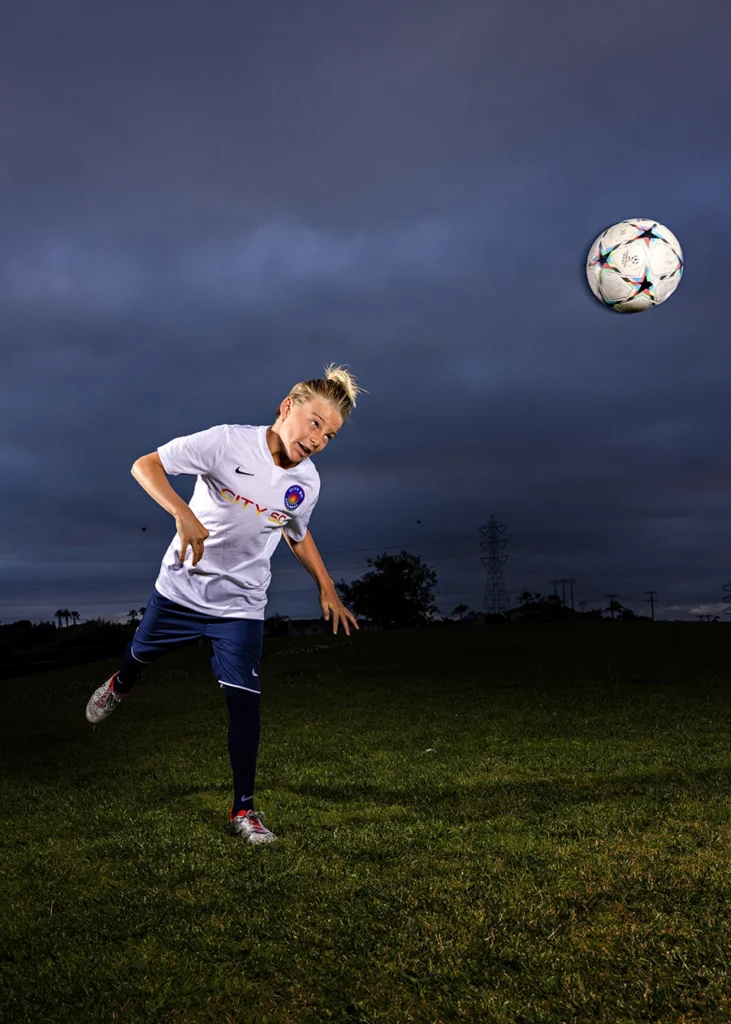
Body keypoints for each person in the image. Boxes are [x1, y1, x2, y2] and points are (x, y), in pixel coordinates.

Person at [85, 365, 362, 845]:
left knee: (244, 703)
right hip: (182, 589)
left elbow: (295, 533)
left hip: (241, 604)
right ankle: (121, 683)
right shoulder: (226, 442)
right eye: (315, 423)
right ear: (287, 408)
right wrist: (182, 514)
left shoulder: (308, 483)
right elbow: (144, 465)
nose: (319, 439)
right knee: (140, 655)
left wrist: (327, 586)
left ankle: (244, 811)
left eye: (330, 435)